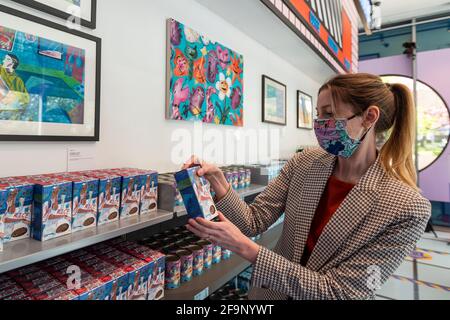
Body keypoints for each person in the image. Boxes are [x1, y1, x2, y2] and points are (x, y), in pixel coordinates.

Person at [183, 73, 432, 300]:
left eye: (329, 114)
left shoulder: (407, 208)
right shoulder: (304, 163)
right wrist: (219, 181)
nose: (320, 124)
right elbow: (253, 221)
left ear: (369, 117)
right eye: (318, 114)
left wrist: (249, 250)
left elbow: (342, 293)